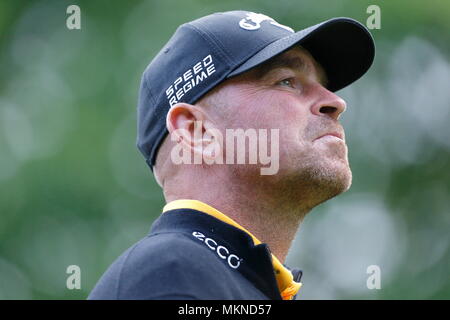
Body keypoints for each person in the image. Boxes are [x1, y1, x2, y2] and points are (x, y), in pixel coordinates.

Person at [88, 10, 375, 300]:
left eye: (323, 85)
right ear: (196, 131)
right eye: (286, 81)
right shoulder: (172, 272)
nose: (336, 102)